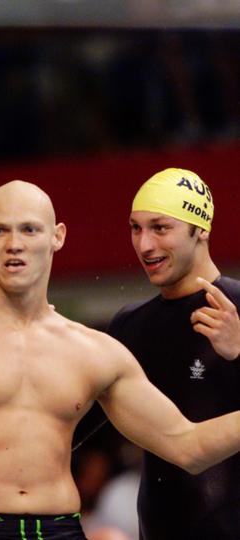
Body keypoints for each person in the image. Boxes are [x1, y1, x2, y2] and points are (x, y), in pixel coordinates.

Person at [0, 180, 240, 540]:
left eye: (29, 230)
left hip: (64, 528)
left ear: (57, 236)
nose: (14, 244)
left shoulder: (92, 350)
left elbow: (186, 446)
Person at [107, 168, 240, 540]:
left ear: (201, 230)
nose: (144, 245)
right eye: (136, 228)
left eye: (160, 228)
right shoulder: (129, 326)